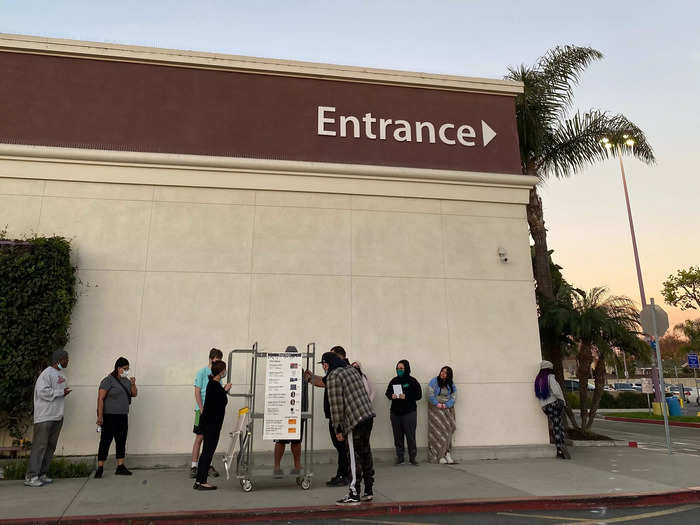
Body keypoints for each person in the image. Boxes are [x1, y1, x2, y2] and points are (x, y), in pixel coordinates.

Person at [325, 352, 376, 505]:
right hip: (367, 416)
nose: (324, 368)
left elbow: (336, 405)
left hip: (354, 421)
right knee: (366, 452)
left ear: (327, 364)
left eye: (323, 365)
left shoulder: (333, 376)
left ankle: (354, 493)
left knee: (354, 457)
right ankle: (368, 490)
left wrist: (338, 429)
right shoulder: (351, 370)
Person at [304, 345, 350, 486]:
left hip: (341, 418)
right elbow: (323, 382)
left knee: (343, 447)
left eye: (332, 357)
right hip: (335, 417)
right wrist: (310, 377)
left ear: (339, 357)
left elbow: (327, 386)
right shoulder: (336, 371)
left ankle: (345, 475)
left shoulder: (342, 371)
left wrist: (338, 428)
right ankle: (345, 474)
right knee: (341, 447)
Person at [24, 349, 71, 487]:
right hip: (45, 416)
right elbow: (42, 392)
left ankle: (42, 474)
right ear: (59, 360)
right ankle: (31, 476)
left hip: (57, 415)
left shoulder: (61, 374)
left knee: (50, 446)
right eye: (66, 359)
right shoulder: (46, 374)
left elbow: (59, 393)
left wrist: (63, 393)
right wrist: (60, 392)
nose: (68, 361)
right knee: (40, 446)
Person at [95, 357, 138, 478]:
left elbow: (134, 394)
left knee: (121, 440)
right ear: (118, 368)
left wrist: (133, 384)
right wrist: (100, 415)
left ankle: (120, 466)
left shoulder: (126, 381)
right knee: (105, 441)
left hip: (122, 416)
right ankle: (100, 467)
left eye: (128, 369)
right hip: (109, 417)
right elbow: (100, 398)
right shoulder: (108, 380)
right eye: (125, 369)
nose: (127, 371)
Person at [193, 360, 232, 490]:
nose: (225, 372)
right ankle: (202, 481)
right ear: (221, 372)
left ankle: (199, 481)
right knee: (207, 453)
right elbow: (220, 402)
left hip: (209, 424)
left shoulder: (212, 384)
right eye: (224, 370)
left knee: (206, 453)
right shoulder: (214, 385)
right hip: (212, 426)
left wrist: (223, 391)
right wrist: (225, 390)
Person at [273, 346, 309, 477]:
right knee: (280, 441)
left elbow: (304, 394)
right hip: (283, 411)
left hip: (298, 412)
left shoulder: (301, 371)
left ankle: (297, 465)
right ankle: (277, 467)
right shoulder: (279, 371)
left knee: (296, 441)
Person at [191, 348, 224, 478]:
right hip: (201, 411)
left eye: (220, 360)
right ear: (211, 359)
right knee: (199, 437)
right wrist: (202, 408)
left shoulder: (218, 375)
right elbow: (197, 392)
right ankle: (194, 466)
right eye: (217, 360)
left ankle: (207, 465)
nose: (218, 362)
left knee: (209, 439)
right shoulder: (202, 372)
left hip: (212, 412)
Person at [385, 359, 422, 465]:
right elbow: (387, 393)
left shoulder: (412, 381)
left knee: (410, 436)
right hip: (395, 413)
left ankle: (412, 457)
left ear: (406, 368)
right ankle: (400, 456)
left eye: (401, 368)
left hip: (409, 413)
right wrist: (391, 396)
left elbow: (419, 395)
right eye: (397, 368)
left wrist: (406, 396)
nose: (399, 370)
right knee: (397, 436)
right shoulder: (393, 381)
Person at [534, 360, 570, 460]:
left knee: (555, 426)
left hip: (545, 406)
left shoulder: (538, 379)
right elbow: (556, 390)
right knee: (558, 427)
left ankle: (559, 449)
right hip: (554, 404)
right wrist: (561, 400)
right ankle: (560, 449)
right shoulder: (550, 377)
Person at [427, 366, 457, 464]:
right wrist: (437, 404)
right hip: (435, 409)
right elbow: (430, 394)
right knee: (438, 431)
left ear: (449, 375)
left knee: (448, 430)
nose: (443, 373)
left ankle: (446, 453)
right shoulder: (433, 381)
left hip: (447, 409)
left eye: (446, 372)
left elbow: (454, 396)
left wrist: (446, 405)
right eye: (442, 371)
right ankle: (438, 456)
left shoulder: (451, 385)